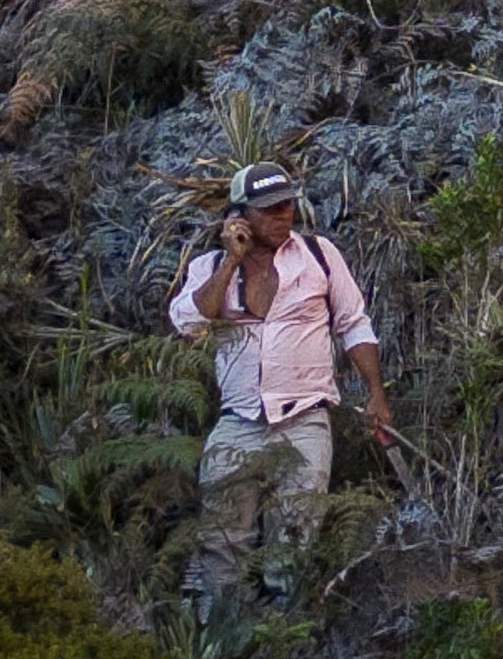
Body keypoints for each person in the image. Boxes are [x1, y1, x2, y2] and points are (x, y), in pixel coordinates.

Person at [167, 162, 391, 611]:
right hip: (239, 420)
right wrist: (232, 259)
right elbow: (188, 321)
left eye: (287, 204)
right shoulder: (210, 267)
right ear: (239, 216)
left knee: (294, 538)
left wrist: (376, 395)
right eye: (269, 208)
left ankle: (285, 641)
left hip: (305, 418)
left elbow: (354, 325)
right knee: (222, 539)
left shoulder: (319, 255)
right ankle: (221, 639)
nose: (283, 214)